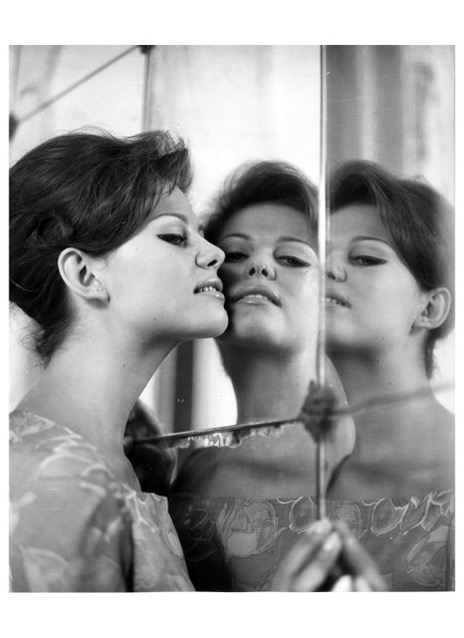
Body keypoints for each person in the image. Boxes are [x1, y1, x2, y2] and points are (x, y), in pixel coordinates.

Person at [9, 131, 376, 592]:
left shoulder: (118, 467)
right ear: (85, 274)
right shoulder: (46, 478)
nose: (216, 255)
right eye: (174, 236)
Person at [169, 161, 358, 591]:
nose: (259, 266)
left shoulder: (364, 462)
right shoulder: (186, 478)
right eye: (236, 254)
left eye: (291, 258)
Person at [323, 160, 455, 590]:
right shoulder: (319, 483)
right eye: (319, 255)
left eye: (365, 257)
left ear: (430, 308)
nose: (327, 270)